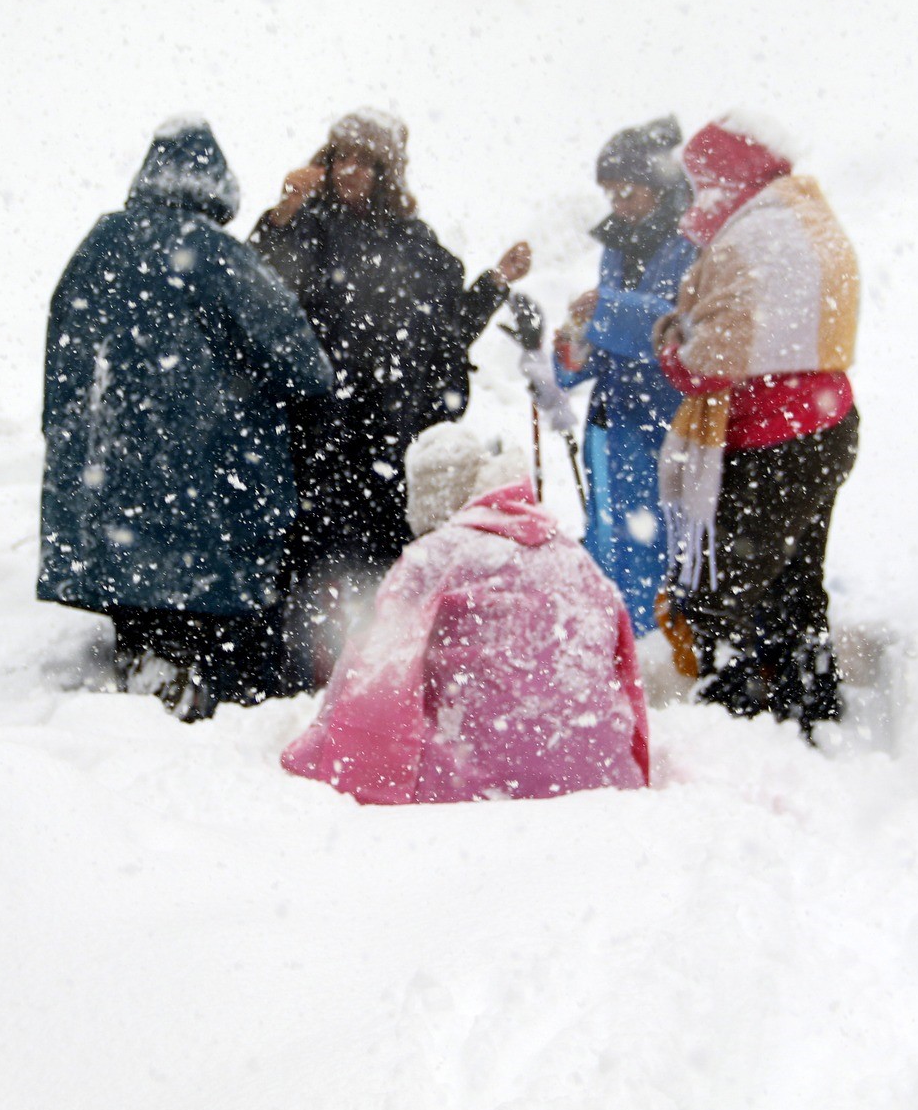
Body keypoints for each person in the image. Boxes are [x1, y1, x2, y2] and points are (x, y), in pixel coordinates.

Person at [37, 118, 334, 721]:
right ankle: (197, 697)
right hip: (205, 485)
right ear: (217, 186)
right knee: (215, 629)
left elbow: (62, 367)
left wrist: (74, 445)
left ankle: (147, 672)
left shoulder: (97, 247)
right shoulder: (217, 255)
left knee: (141, 600)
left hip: (111, 487)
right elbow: (307, 368)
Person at [250, 110, 531, 684]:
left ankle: (379, 684)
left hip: (392, 438)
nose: (351, 171)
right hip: (319, 432)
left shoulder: (414, 241)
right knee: (316, 560)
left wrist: (496, 282)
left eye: (366, 161)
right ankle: (304, 681)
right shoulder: (307, 225)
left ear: (387, 170)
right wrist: (282, 213)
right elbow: (257, 289)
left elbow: (448, 329)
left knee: (386, 566)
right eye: (340, 158)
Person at [281, 422, 650, 804]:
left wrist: (324, 742)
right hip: (597, 767)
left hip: (474, 780)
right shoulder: (572, 554)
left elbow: (376, 665)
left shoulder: (434, 556)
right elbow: (621, 658)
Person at [649, 117, 859, 740]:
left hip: (770, 443)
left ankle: (735, 729)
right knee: (796, 582)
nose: (696, 199)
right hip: (827, 424)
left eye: (702, 182)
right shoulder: (805, 217)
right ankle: (810, 704)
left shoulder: (753, 237)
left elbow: (708, 361)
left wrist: (669, 343)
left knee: (723, 596)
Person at [554, 115, 697, 636]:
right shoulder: (618, 243)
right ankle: (621, 643)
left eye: (627, 191)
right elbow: (613, 337)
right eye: (610, 193)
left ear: (659, 186)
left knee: (661, 545)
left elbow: (678, 325)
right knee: (614, 542)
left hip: (668, 421)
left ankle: (659, 650)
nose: (618, 205)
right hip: (617, 423)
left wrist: (608, 310)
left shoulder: (692, 242)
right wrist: (576, 348)